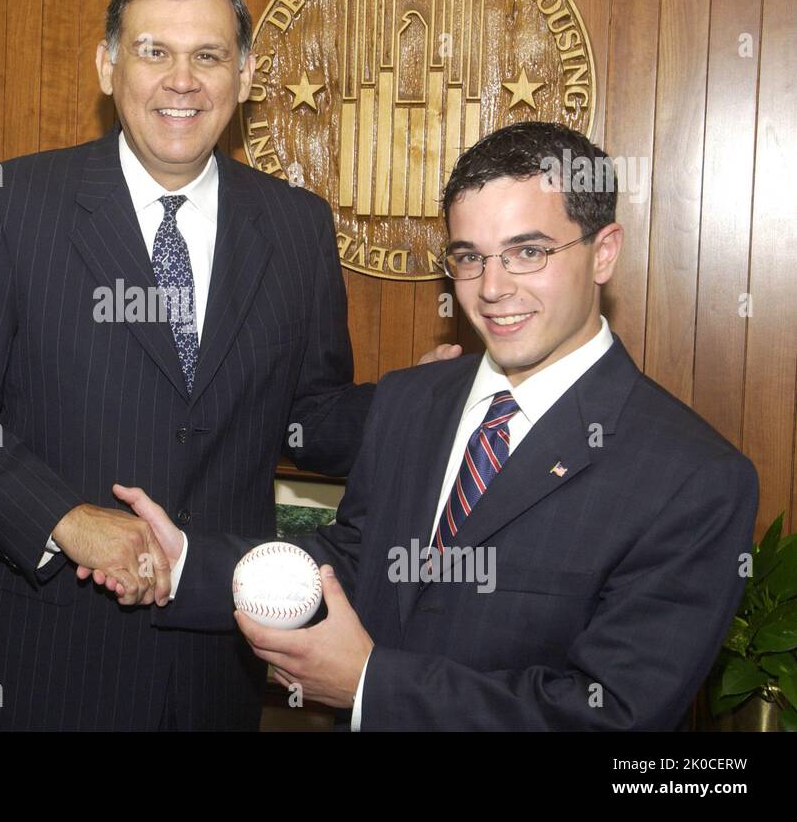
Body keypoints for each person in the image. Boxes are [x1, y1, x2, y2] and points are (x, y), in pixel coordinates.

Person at [0, 0, 458, 730]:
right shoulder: (12, 205)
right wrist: (66, 517)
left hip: (213, 663)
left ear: (246, 73)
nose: (180, 81)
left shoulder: (295, 226)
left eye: (209, 56)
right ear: (108, 65)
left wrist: (413, 406)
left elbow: (309, 417)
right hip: (45, 656)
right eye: (154, 51)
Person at [111, 121, 759, 730]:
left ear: (603, 253)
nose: (492, 287)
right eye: (469, 257)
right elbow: (354, 561)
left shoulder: (694, 478)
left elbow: (612, 715)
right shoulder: (408, 400)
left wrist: (369, 683)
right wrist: (189, 564)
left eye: (526, 251)